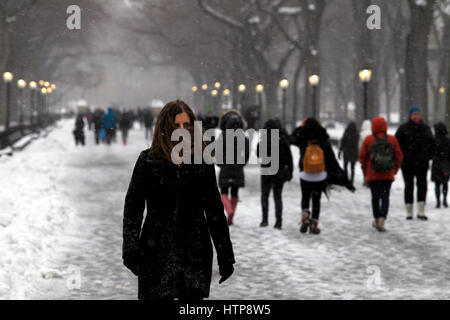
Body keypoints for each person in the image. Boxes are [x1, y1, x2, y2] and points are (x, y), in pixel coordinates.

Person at [122, 100, 235, 301]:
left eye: (187, 125)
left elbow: (214, 211)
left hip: (195, 250)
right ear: (166, 127)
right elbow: (133, 207)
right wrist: (130, 247)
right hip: (157, 249)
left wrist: (225, 254)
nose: (183, 130)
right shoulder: (148, 161)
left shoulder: (202, 161)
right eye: (177, 125)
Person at [290, 118, 355, 235]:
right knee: (316, 199)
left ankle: (305, 216)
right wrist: (344, 179)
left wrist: (300, 128)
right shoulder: (322, 137)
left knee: (305, 196)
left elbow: (291, 138)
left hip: (305, 172)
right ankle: (314, 224)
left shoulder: (302, 136)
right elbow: (331, 159)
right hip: (320, 174)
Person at [359, 117, 403, 232]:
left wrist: (365, 171)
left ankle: (377, 218)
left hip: (373, 175)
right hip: (387, 175)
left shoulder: (369, 140)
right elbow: (399, 156)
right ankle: (383, 218)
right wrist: (394, 170)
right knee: (385, 197)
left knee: (375, 197)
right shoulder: (392, 140)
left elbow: (362, 157)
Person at [395, 106, 435, 220]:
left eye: (418, 114)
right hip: (407, 163)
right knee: (409, 186)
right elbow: (396, 145)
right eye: (414, 114)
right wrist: (403, 156)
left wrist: (428, 156)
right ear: (410, 116)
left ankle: (421, 211)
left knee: (422, 185)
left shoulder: (426, 128)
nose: (417, 116)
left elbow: (433, 144)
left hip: (422, 163)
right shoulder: (403, 129)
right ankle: (409, 212)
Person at [256, 119, 293, 229]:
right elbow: (289, 158)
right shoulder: (282, 141)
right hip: (279, 172)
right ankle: (278, 222)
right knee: (277, 197)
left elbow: (259, 155)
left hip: (266, 171)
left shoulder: (263, 141)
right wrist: (290, 172)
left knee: (265, 195)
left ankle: (264, 220)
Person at [217, 109, 250, 226]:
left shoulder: (223, 136)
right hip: (237, 168)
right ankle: (232, 215)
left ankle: (229, 211)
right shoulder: (243, 138)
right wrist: (241, 164)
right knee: (235, 192)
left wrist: (220, 164)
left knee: (224, 192)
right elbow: (246, 153)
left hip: (225, 166)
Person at [431, 122, 450, 208]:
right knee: (445, 183)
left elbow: (430, 152)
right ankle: (445, 200)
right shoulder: (447, 140)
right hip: (446, 164)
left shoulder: (434, 140)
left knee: (437, 184)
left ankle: (438, 201)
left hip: (436, 164)